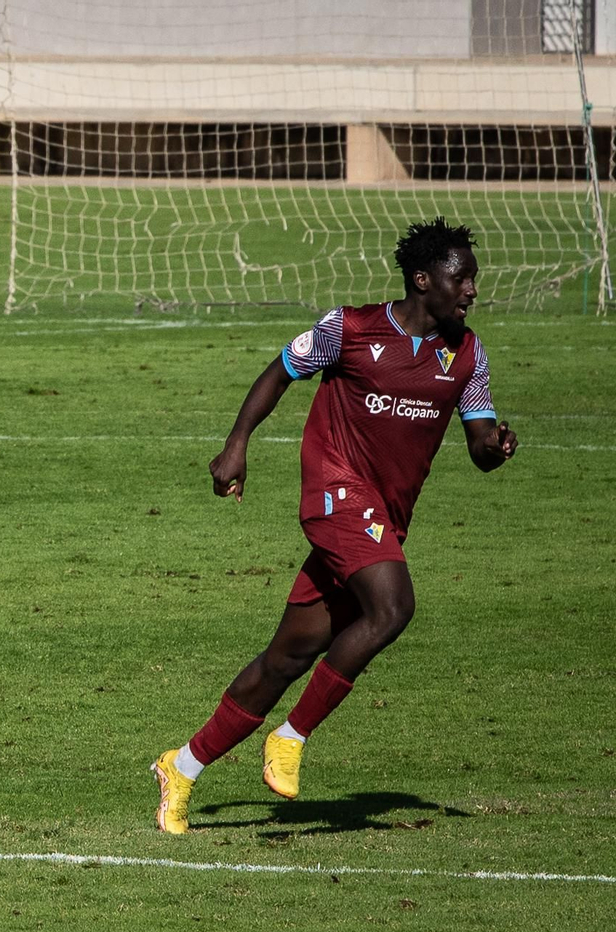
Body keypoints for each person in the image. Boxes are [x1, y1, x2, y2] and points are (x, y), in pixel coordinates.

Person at [151, 217, 518, 834]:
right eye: (463, 278)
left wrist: (498, 446)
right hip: (336, 493)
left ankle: (181, 766)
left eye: (474, 280)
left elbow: (479, 444)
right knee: (393, 607)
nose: (472, 290)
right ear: (423, 279)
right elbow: (279, 371)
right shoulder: (347, 327)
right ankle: (291, 737)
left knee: (284, 659)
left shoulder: (469, 356)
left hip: (382, 521)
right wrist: (237, 443)